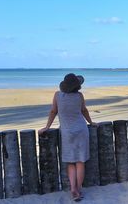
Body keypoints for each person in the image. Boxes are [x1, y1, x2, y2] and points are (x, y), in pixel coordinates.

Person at [39, 73, 95, 202]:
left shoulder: (57, 95)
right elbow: (84, 111)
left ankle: (73, 190)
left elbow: (53, 111)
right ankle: (78, 190)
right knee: (80, 162)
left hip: (67, 132)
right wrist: (91, 123)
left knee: (71, 162)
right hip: (81, 130)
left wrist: (47, 127)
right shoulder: (79, 96)